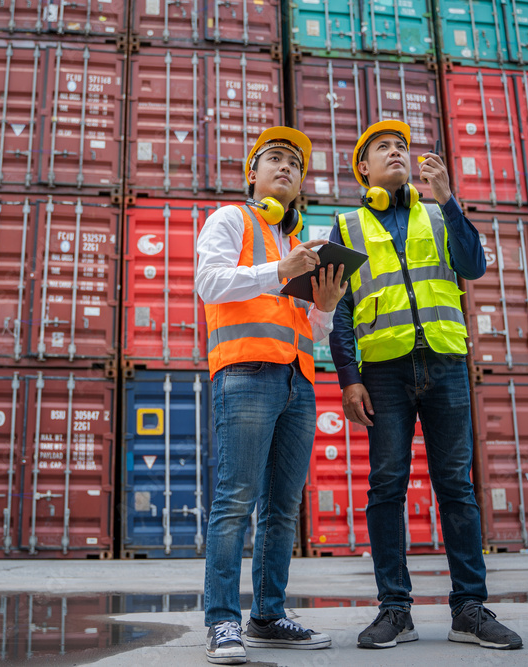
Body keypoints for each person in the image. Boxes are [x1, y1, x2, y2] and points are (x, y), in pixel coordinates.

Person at [328, 120, 523, 650]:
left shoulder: (440, 214)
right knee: (386, 487)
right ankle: (395, 611)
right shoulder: (344, 227)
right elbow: (339, 314)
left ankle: (469, 609)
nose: (396, 153)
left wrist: (450, 199)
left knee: (455, 486)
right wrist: (349, 381)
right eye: (382, 149)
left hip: (445, 365)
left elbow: (474, 266)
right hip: (384, 373)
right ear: (362, 169)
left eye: (402, 147)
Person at [196, 126, 345, 664]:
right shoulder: (230, 220)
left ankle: (268, 614)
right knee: (235, 501)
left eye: (295, 164)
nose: (287, 168)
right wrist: (276, 271)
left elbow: (315, 329)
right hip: (245, 373)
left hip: (299, 380)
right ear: (252, 174)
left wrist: (325, 304)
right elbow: (209, 282)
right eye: (275, 159)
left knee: (282, 507)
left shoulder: (302, 240)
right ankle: (221, 622)